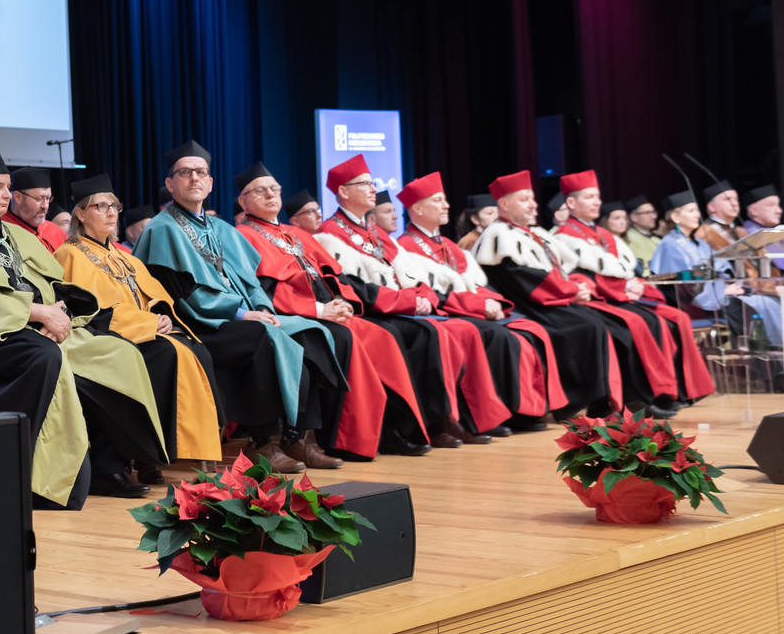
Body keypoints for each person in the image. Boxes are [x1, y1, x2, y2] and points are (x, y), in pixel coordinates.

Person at [0, 156, 168, 504]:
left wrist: (63, 314)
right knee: (51, 360)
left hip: (48, 325)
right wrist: (38, 313)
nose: (7, 195)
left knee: (120, 352)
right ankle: (39, 480)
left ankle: (109, 465)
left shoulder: (16, 235)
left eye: (8, 188)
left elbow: (57, 285)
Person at [132, 141, 342, 472]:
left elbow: (251, 281)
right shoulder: (162, 229)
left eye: (200, 172)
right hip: (196, 324)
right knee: (258, 335)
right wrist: (243, 314)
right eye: (184, 173)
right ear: (170, 184)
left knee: (313, 333)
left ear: (210, 183)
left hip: (239, 315)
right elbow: (183, 294)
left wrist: (262, 308)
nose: (194, 178)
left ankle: (298, 437)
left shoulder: (221, 229)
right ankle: (262, 442)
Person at [233, 163, 436, 459]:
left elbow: (333, 276)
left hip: (327, 310)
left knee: (385, 337)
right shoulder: (242, 235)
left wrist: (344, 302)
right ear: (243, 201)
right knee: (344, 338)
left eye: (274, 189)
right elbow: (265, 290)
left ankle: (391, 431)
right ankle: (342, 439)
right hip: (294, 315)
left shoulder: (295, 233)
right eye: (259, 191)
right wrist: (319, 309)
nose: (270, 195)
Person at [315, 155, 512, 444]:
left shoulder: (376, 233)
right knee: (429, 332)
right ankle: (429, 423)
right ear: (343, 191)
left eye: (372, 183)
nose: (373, 188)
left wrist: (423, 297)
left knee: (455, 329)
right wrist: (406, 301)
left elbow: (412, 275)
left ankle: (456, 418)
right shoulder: (329, 234)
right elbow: (350, 286)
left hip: (398, 308)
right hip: (370, 311)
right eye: (365, 184)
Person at [52, 172, 224, 475]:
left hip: (141, 329)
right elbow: (85, 310)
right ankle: (147, 454)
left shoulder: (125, 257)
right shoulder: (69, 254)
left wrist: (162, 316)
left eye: (114, 206)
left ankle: (163, 452)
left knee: (197, 349)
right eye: (100, 206)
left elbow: (153, 296)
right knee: (166, 354)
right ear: (80, 214)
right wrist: (146, 324)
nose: (110, 213)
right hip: (101, 336)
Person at [394, 172, 565, 430]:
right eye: (438, 201)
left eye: (445, 200)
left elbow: (479, 283)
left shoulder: (448, 244)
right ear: (417, 208)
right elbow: (431, 295)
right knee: (499, 337)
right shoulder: (406, 247)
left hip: (471, 308)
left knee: (530, 330)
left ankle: (530, 409)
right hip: (445, 314)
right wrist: (479, 306)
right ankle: (497, 413)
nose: (446, 206)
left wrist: (492, 301)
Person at [551, 171, 713, 415]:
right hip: (594, 299)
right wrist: (623, 288)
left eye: (597, 197)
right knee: (640, 323)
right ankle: (642, 398)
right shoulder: (563, 237)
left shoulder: (602, 234)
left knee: (675, 317)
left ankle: (677, 391)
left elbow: (623, 271)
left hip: (617, 295)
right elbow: (576, 277)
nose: (596, 202)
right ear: (571, 203)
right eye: (589, 197)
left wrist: (635, 283)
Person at [472, 170, 621, 416]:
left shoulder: (535, 233)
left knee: (594, 320)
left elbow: (564, 268)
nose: (533, 205)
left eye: (532, 198)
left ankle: (599, 401)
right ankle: (578, 402)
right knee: (586, 325)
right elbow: (524, 279)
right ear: (504, 204)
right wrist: (571, 291)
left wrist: (579, 286)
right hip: (526, 304)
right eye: (524, 199)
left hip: (549, 298)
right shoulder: (498, 235)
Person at [651, 190, 784, 344]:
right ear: (675, 217)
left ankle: (776, 351)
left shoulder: (699, 244)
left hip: (717, 296)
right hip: (694, 304)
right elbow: (683, 283)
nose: (697, 215)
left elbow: (722, 267)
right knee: (745, 309)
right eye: (691, 211)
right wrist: (722, 291)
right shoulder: (669, 245)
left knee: (766, 303)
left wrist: (729, 287)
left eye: (697, 210)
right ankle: (755, 355)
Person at [6, 168, 66, 252]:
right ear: (18, 197)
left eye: (48, 198)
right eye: (39, 199)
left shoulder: (55, 231)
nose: (45, 206)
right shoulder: (2, 230)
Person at [623, 193, 662, 271]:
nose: (654, 216)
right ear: (634, 217)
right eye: (647, 213)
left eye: (653, 212)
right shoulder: (628, 238)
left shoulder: (656, 240)